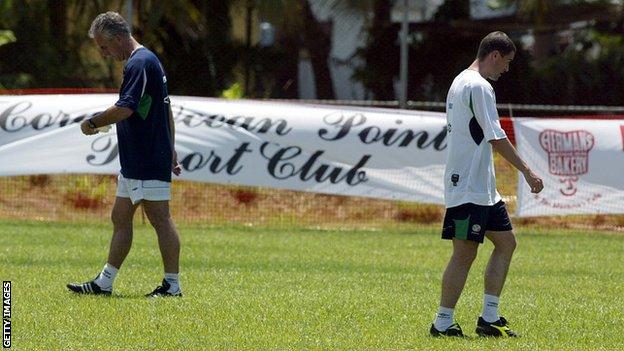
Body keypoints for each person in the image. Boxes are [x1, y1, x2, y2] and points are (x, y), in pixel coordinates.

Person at [429, 31, 543, 337]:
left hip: (483, 189)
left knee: (506, 243)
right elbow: (496, 136)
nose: (505, 70)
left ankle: (489, 318)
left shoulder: (460, 81)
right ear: (494, 55)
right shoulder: (478, 86)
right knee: (464, 253)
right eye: (505, 63)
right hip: (467, 186)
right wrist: (527, 171)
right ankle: (442, 322)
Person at [67, 11, 183, 298]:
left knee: (160, 218)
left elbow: (126, 108)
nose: (104, 53)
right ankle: (104, 283)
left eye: (104, 47)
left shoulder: (140, 63)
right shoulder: (142, 62)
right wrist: (172, 148)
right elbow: (165, 108)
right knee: (120, 216)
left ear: (118, 38)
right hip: (138, 158)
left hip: (147, 157)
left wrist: (93, 122)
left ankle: (172, 285)